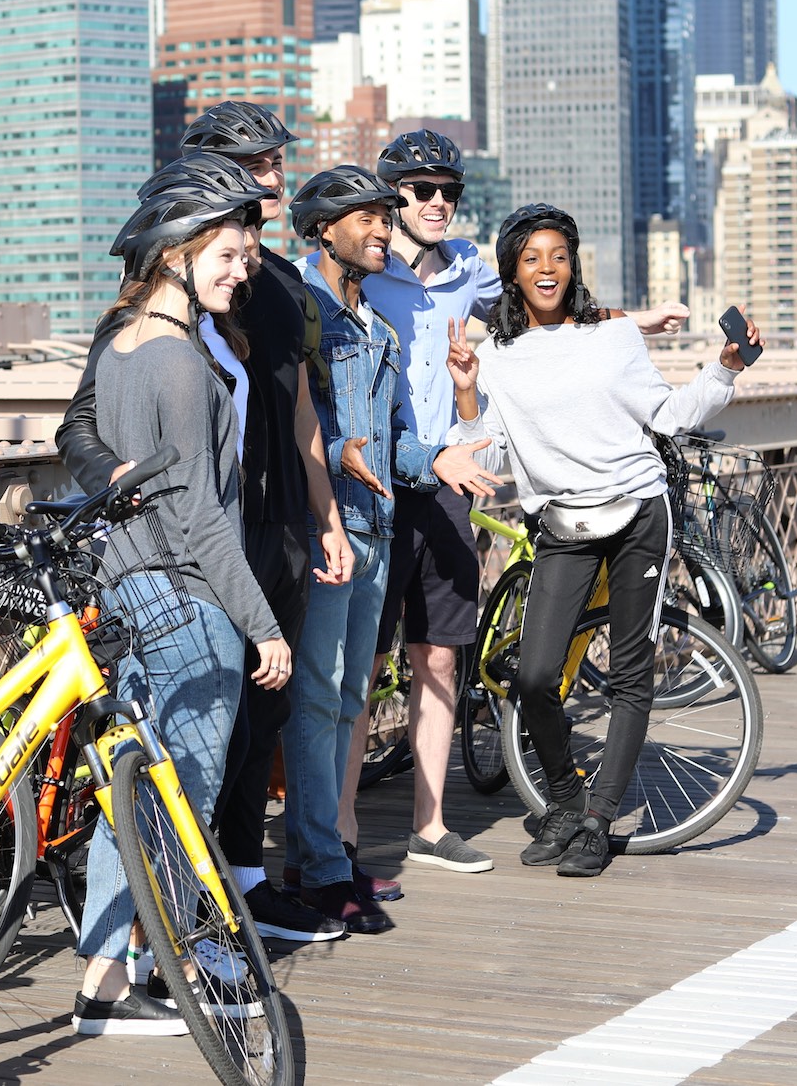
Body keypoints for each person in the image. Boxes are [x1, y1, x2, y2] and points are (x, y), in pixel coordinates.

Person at [59, 105, 353, 946]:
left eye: (271, 168)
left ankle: (229, 893)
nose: (269, 181)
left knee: (245, 728)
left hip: (263, 526)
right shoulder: (147, 329)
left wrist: (322, 514)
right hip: (194, 549)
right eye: (250, 167)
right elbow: (78, 424)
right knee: (183, 760)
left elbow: (295, 408)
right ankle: (189, 925)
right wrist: (114, 475)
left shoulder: (247, 303)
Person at [360, 130, 686, 876]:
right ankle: (338, 842)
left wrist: (632, 322)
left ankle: (437, 824)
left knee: (442, 659)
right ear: (390, 199)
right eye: (419, 191)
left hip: (453, 479)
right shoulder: (365, 269)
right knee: (364, 672)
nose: (436, 202)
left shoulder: (471, 269)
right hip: (374, 481)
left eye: (448, 190)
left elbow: (549, 307)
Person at [443, 203, 756, 879]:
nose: (546, 269)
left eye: (558, 255)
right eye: (531, 258)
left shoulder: (612, 334)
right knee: (532, 674)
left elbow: (667, 415)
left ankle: (595, 819)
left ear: (573, 264)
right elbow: (484, 455)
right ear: (511, 272)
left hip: (637, 512)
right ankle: (563, 798)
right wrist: (467, 393)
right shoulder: (495, 354)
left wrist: (722, 370)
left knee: (628, 674)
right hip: (560, 524)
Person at [72, 160, 294, 1036]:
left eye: (246, 256)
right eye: (228, 254)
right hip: (192, 609)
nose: (242, 271)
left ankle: (105, 978)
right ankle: (135, 976)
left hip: (129, 595)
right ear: (179, 252)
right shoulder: (177, 363)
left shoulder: (120, 344)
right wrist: (263, 627)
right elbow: (201, 519)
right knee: (179, 804)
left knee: (127, 802)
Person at [283, 164, 495, 933]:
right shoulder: (299, 304)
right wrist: (338, 452)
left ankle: (326, 857)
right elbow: (287, 419)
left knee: (344, 698)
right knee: (316, 697)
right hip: (324, 529)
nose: (383, 230)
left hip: (369, 522)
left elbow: (392, 436)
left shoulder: (372, 321)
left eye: (384, 216)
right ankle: (318, 865)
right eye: (367, 218)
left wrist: (436, 459)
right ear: (323, 229)